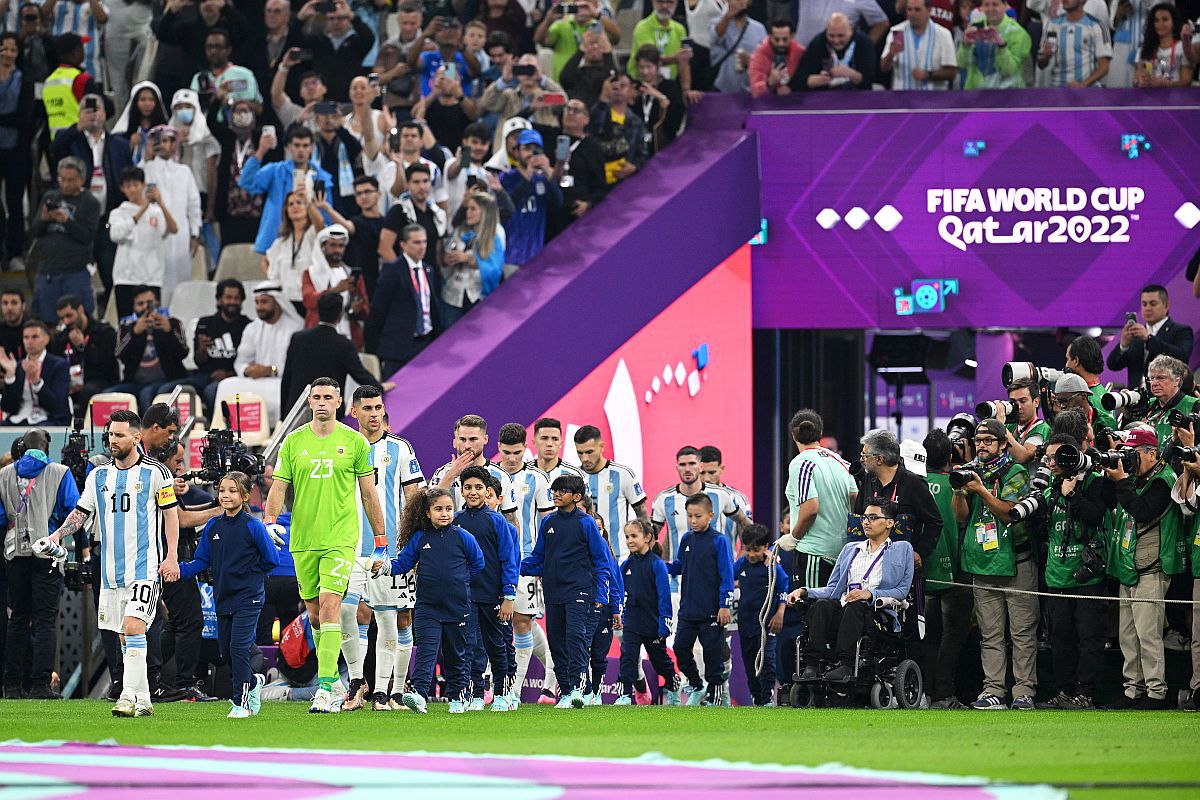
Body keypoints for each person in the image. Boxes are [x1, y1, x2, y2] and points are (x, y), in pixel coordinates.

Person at [40, 409, 181, 717]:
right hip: (110, 573)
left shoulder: (157, 473)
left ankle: (127, 697)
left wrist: (171, 557)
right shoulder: (98, 476)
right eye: (110, 435)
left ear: (136, 436)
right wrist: (57, 536)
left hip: (144, 568)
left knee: (133, 627)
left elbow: (171, 515)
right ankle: (143, 699)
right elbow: (80, 514)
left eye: (119, 435)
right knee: (123, 636)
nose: (112, 440)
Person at [264, 377, 385, 713]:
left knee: (332, 606)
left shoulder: (355, 442)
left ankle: (328, 688)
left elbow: (368, 492)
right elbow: (278, 487)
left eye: (327, 397)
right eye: (315, 396)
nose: (320, 402)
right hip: (303, 540)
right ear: (309, 401)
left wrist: (381, 540)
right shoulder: (293, 442)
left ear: (339, 402)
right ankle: (329, 681)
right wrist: (270, 522)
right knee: (315, 616)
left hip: (340, 539)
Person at [174, 471, 280, 718]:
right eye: (222, 490)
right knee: (227, 651)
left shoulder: (253, 525)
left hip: (249, 598)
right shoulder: (213, 525)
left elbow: (271, 559)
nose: (226, 495)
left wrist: (248, 575)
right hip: (223, 599)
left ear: (244, 496)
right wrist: (178, 571)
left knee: (239, 649)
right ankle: (253, 682)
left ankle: (240, 704)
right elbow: (201, 560)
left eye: (232, 491)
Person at [1018, 434, 1111, 710]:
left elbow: (1096, 515)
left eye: (1058, 457)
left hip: (1087, 575)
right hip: (1057, 574)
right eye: (1048, 457)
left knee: (1088, 638)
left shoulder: (1094, 482)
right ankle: (1064, 691)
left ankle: (1085, 693)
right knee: (1060, 638)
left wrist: (1072, 495)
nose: (1052, 462)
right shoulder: (1051, 487)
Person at [346, 386, 424, 711]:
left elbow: (415, 499)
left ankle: (386, 693)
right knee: (353, 614)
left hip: (391, 551)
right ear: (354, 412)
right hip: (351, 548)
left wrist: (413, 549)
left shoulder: (401, 449)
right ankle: (356, 684)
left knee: (397, 619)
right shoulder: (344, 447)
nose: (374, 414)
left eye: (378, 407)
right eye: (367, 408)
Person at [951, 417, 1037, 710]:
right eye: (978, 441)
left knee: (1022, 632)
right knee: (990, 634)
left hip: (1016, 561)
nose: (982, 446)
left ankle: (1024, 691)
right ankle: (994, 691)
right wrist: (959, 490)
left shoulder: (1016, 471)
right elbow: (961, 517)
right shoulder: (971, 472)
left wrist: (982, 491)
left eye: (988, 441)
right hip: (982, 563)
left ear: (1003, 444)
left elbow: (1009, 513)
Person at [374, 486, 484, 713]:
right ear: (427, 513)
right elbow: (403, 564)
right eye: (438, 509)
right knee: (426, 652)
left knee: (457, 655)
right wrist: (384, 567)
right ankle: (420, 696)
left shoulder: (464, 537)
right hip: (427, 608)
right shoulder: (419, 538)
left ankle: (457, 698)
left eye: (449, 509)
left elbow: (477, 564)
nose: (444, 514)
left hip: (458, 608)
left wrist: (460, 581)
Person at [788, 497, 915, 684]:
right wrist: (804, 591)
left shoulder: (902, 548)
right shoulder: (850, 549)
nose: (865, 522)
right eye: (864, 517)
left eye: (872, 517)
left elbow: (902, 590)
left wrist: (870, 594)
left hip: (876, 613)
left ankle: (846, 664)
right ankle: (812, 664)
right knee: (822, 606)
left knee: (855, 606)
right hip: (845, 609)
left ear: (889, 523)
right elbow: (832, 590)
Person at [1105, 427, 1183, 709]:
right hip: (1129, 565)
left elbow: (1143, 511)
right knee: (1127, 633)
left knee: (1148, 634)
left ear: (1151, 453)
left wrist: (1122, 481)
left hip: (1151, 567)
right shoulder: (1138, 478)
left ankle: (1156, 692)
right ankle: (1132, 689)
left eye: (1133, 454)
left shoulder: (1164, 480)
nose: (1129, 460)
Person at [519, 474, 613, 709]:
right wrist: (515, 569)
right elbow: (540, 557)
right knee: (556, 642)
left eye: (563, 491)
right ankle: (566, 692)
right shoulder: (548, 522)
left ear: (577, 496)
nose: (557, 494)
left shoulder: (586, 523)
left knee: (575, 639)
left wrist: (601, 594)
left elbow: (602, 560)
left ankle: (579, 690)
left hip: (580, 592)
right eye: (555, 490)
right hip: (552, 592)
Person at [1, 429, 80, 698]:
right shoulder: (60, 472)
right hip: (47, 553)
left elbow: (1, 517)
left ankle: (11, 685)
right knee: (45, 621)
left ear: (22, 447)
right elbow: (74, 511)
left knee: (18, 619)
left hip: (15, 554)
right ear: (47, 447)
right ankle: (40, 684)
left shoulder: (5, 474)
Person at [48, 93, 132, 299]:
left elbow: (127, 176)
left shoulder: (119, 144)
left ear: (105, 114)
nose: (93, 115)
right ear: (79, 114)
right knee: (73, 277)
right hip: (76, 220)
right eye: (87, 110)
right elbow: (53, 150)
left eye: (97, 110)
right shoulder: (69, 140)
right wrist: (77, 127)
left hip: (107, 219)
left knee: (111, 273)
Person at [454, 465, 519, 711]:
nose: (473, 492)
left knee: (496, 645)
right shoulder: (456, 521)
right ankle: (476, 696)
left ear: (487, 490)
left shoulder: (497, 521)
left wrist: (509, 596)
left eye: (478, 488)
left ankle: (502, 694)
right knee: (469, 646)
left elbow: (508, 560)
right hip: (465, 596)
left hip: (493, 595)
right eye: (468, 487)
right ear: (461, 490)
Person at [920, 428, 974, 708]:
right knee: (953, 638)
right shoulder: (959, 483)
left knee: (929, 637)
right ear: (951, 454)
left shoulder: (916, 483)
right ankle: (944, 693)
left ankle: (928, 692)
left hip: (923, 571)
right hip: (957, 569)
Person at [665, 492, 735, 705]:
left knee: (712, 656)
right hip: (688, 611)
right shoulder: (686, 539)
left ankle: (715, 698)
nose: (693, 521)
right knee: (680, 648)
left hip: (712, 611)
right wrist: (659, 566)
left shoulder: (719, 541)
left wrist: (725, 605)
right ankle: (697, 684)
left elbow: (727, 576)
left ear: (710, 516)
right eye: (690, 516)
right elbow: (679, 566)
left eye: (698, 516)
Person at [777, 409, 858, 588]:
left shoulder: (801, 462)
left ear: (793, 435)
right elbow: (856, 499)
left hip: (814, 554)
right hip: (842, 555)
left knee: (813, 613)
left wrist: (793, 537)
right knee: (833, 613)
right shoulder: (841, 462)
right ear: (820, 433)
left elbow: (811, 508)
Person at [280, 293, 384, 415]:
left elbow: (287, 378)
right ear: (340, 315)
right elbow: (360, 375)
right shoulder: (344, 344)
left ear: (318, 312)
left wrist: (284, 415)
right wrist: (380, 387)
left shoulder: (298, 338)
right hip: (329, 414)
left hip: (298, 412)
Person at [614, 519, 682, 705]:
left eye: (634, 536)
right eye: (627, 536)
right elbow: (620, 594)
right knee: (628, 657)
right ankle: (624, 695)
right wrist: (618, 613)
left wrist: (664, 624)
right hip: (632, 623)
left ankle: (673, 684)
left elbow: (664, 596)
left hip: (652, 624)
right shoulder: (625, 566)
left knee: (660, 662)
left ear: (648, 537)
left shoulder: (657, 565)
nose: (629, 540)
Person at [240, 124, 333, 256]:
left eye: (305, 146)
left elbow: (326, 217)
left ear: (312, 148)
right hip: (274, 241)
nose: (301, 150)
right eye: (297, 145)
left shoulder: (323, 178)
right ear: (289, 147)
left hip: (310, 244)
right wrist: (261, 151)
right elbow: (247, 183)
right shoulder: (275, 170)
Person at [161, 279, 250, 414]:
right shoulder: (205, 323)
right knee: (166, 390)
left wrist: (227, 374)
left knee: (211, 392)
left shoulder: (248, 326)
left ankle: (222, 429)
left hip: (234, 377)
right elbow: (198, 360)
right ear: (219, 300)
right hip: (203, 376)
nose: (232, 302)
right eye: (228, 297)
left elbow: (248, 363)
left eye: (236, 298)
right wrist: (202, 349)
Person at [29, 156, 100, 322]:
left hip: (75, 272)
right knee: (46, 323)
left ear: (82, 179)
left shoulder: (91, 203)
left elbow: (87, 236)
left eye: (70, 180)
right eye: (62, 179)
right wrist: (44, 219)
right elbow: (35, 232)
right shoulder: (50, 197)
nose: (65, 184)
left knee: (79, 321)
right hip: (47, 271)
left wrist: (66, 221)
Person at [652, 446, 752, 564]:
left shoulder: (727, 496)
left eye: (712, 472)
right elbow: (663, 535)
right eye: (683, 465)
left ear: (699, 466)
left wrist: (739, 568)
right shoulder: (664, 499)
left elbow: (748, 527)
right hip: (679, 578)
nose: (707, 478)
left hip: (718, 576)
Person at [365, 224, 439, 375]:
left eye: (424, 242)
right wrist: (372, 348)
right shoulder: (392, 271)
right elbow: (378, 309)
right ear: (403, 245)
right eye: (417, 242)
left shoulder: (428, 269)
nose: (422, 246)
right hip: (398, 348)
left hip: (426, 343)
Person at [140, 126, 203, 299]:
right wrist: (146, 158)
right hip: (153, 233)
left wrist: (195, 234)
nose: (164, 145)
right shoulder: (146, 169)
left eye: (168, 141)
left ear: (175, 145)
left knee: (180, 280)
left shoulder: (184, 171)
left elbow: (194, 204)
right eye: (160, 141)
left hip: (180, 234)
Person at [108, 167, 178, 318]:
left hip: (151, 278)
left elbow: (173, 229)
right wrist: (142, 210)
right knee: (127, 325)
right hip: (126, 279)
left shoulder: (156, 212)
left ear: (143, 184)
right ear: (122, 189)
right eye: (128, 186)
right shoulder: (118, 213)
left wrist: (160, 203)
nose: (132, 189)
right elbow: (115, 235)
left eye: (135, 184)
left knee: (153, 323)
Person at [230, 283, 305, 423]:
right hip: (255, 381)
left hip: (281, 383)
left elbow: (298, 369)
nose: (259, 307)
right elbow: (240, 362)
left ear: (277, 302)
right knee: (225, 387)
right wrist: (247, 370)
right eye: (257, 302)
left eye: (264, 302)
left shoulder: (296, 330)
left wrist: (270, 370)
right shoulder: (252, 328)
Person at [573, 424, 650, 559]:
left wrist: (647, 552)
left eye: (589, 452)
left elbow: (642, 513)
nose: (584, 458)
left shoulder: (623, 474)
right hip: (583, 560)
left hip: (619, 557)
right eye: (580, 453)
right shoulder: (573, 477)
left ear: (601, 446)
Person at [110, 287, 190, 413]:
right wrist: (134, 333)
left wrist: (169, 331)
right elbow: (119, 355)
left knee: (146, 394)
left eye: (149, 303)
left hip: (167, 380)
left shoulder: (173, 323)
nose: (145, 307)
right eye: (140, 304)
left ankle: (148, 432)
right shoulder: (126, 327)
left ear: (157, 303)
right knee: (106, 395)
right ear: (134, 306)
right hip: (134, 382)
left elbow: (183, 352)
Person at [429, 414, 519, 522]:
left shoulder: (501, 476)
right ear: (455, 442)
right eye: (462, 439)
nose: (467, 445)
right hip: (451, 538)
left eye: (473, 439)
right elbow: (429, 508)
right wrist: (451, 475)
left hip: (487, 538)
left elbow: (511, 520)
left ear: (485, 439)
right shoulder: (442, 473)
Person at [733, 524, 786, 706]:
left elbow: (783, 589)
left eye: (756, 550)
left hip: (766, 624)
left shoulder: (773, 566)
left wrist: (780, 612)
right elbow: (728, 578)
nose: (752, 554)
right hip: (746, 622)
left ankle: (767, 698)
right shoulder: (742, 563)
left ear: (766, 547)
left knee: (767, 661)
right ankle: (757, 698)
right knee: (749, 664)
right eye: (748, 549)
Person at [1106, 284, 1194, 390]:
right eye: (1144, 304)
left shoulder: (1181, 330)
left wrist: (1149, 339)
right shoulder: (1136, 334)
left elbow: (1181, 356)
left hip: (1165, 398)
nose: (1148, 308)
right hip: (1136, 399)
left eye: (1153, 304)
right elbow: (1113, 365)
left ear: (1166, 305)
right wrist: (1124, 345)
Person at [49, 294, 120, 424]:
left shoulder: (104, 332)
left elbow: (106, 366)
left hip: (100, 381)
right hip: (71, 382)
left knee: (87, 391)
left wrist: (83, 347)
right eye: (62, 318)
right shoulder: (62, 338)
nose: (66, 322)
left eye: (69, 316)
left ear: (80, 310)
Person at [442, 191, 505, 324]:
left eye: (473, 209)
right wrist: (447, 260)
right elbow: (446, 257)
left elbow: (495, 270)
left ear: (485, 212)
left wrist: (468, 259)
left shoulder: (495, 238)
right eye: (467, 208)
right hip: (453, 296)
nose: (468, 213)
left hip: (478, 297)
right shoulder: (460, 231)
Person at [301, 224, 369, 347]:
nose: (337, 250)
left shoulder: (351, 275)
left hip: (348, 335)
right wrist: (335, 290)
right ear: (323, 247)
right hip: (319, 338)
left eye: (341, 246)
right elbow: (308, 300)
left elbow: (365, 309)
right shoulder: (310, 273)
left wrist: (358, 309)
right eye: (332, 245)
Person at [582, 509, 622, 706]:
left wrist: (616, 609)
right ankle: (584, 689)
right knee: (581, 650)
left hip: (604, 609)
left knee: (598, 655)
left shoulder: (608, 553)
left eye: (600, 529)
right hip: (583, 605)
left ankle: (596, 692)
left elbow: (615, 583)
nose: (596, 533)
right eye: (593, 529)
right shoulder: (580, 551)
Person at [0, 32, 31, 270]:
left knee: (15, 202)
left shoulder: (25, 80)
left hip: (16, 151)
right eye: (4, 49)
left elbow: (23, 118)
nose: (8, 54)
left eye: (13, 50)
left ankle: (15, 253)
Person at [0, 320, 70, 425]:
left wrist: (37, 382)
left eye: (35, 337)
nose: (30, 341)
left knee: (37, 433)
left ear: (46, 339)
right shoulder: (18, 366)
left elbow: (58, 406)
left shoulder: (59, 365)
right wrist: (10, 377)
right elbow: (7, 407)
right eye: (26, 337)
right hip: (21, 418)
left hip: (48, 418)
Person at [264, 189, 324, 311]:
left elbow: (320, 224)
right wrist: (273, 282)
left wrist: (309, 203)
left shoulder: (313, 233)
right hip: (287, 300)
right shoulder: (282, 241)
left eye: (299, 202)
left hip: (311, 298)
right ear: (286, 210)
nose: (295, 206)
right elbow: (265, 260)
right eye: (290, 204)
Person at [882, 0, 959, 89]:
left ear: (929, 10)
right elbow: (884, 68)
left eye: (917, 10)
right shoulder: (897, 32)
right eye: (909, 9)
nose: (912, 14)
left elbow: (951, 73)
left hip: (934, 99)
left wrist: (928, 75)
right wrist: (890, 54)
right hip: (902, 99)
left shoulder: (943, 35)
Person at [588, 72, 647, 188]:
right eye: (614, 86)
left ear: (631, 90)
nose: (618, 89)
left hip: (623, 182)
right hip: (597, 179)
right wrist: (603, 98)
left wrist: (634, 167)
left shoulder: (636, 121)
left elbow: (642, 152)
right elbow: (595, 130)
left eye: (623, 86)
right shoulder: (598, 111)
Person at [536, 0, 619, 80]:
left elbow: (617, 38)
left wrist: (597, 15)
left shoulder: (599, 27)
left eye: (585, 5)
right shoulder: (561, 25)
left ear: (595, 5)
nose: (580, 9)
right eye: (577, 3)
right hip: (564, 83)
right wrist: (548, 20)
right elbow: (539, 40)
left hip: (593, 84)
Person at [957, 0, 1032, 88]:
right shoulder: (975, 28)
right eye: (986, 5)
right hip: (976, 93)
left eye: (995, 4)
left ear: (1005, 5)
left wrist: (1002, 46)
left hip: (1008, 94)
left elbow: (1009, 71)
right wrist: (965, 46)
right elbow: (962, 64)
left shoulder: (1019, 34)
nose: (990, 9)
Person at [1038, 0, 1112, 87]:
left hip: (1088, 91)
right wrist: (1046, 57)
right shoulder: (1052, 25)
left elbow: (1104, 66)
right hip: (1057, 90)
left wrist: (1083, 85)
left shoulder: (1097, 26)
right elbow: (1041, 64)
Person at [42, 32, 101, 139]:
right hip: (80, 141)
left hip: (57, 142)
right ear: (74, 53)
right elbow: (105, 108)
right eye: (81, 47)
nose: (84, 51)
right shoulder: (80, 79)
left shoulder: (48, 82)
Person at [795, 12, 876, 90]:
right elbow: (800, 77)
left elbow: (868, 80)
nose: (836, 40)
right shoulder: (818, 42)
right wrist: (811, 81)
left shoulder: (864, 42)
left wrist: (851, 74)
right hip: (824, 95)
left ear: (850, 31)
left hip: (857, 94)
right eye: (831, 35)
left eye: (840, 36)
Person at [1141, 355, 1199, 459]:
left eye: (1160, 378)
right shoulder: (1147, 404)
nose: (1154, 383)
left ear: (1177, 381)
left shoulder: (1195, 405)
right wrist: (1126, 416)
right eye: (1151, 378)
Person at [630, 47, 684, 157]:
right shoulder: (634, 88)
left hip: (662, 146)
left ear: (658, 66)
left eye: (649, 67)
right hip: (637, 145)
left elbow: (676, 122)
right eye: (641, 67)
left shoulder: (669, 87)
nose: (645, 72)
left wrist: (660, 96)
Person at [191, 27, 262, 110]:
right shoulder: (199, 78)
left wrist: (232, 102)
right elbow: (192, 109)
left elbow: (259, 108)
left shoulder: (244, 74)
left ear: (228, 50)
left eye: (218, 47)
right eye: (209, 47)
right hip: (205, 122)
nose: (213, 51)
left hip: (236, 121)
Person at [709, 0, 767, 95]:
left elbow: (765, 60)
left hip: (751, 91)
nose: (738, 2)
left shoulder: (759, 29)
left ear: (749, 2)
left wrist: (751, 61)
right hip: (722, 90)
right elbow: (716, 37)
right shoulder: (716, 23)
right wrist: (727, 17)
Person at [1065, 334, 1119, 432]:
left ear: (1076, 361)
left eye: (1068, 359)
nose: (1066, 365)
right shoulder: (1103, 393)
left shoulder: (1082, 399)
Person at [1133, 4, 1192, 86]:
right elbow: (1136, 80)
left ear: (1174, 22)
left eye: (1165, 19)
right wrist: (1140, 81)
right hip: (1149, 97)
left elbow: (1187, 82)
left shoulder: (1183, 47)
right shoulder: (1144, 47)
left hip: (1176, 97)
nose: (1160, 24)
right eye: (1156, 20)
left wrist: (1166, 84)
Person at [112, 82, 168, 165]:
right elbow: (116, 159)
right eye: (143, 99)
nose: (147, 104)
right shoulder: (122, 133)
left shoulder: (164, 130)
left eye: (151, 100)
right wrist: (130, 144)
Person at [0, 290, 25, 358]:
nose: (9, 308)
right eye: (5, 303)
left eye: (14, 303)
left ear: (23, 306)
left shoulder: (33, 331)